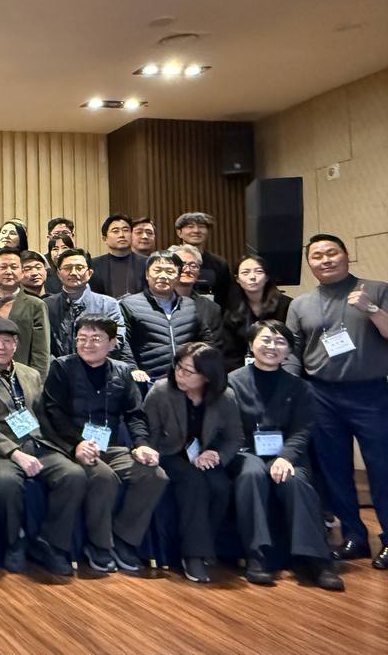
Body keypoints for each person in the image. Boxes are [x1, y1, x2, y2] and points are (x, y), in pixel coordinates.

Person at [286, 234, 388, 569]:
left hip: (371, 393)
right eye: (317, 256)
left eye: (332, 252)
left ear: (346, 256)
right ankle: (354, 537)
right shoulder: (300, 304)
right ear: (309, 264)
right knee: (335, 469)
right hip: (321, 395)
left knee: (382, 467)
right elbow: (293, 353)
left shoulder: (377, 289)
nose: (325, 260)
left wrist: (371, 309)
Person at [40, 315, 168, 575]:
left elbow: (134, 414)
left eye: (96, 339)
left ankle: (123, 538)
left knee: (154, 475)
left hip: (110, 446)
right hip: (70, 445)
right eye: (82, 339)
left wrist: (141, 444)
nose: (87, 344)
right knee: (103, 477)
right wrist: (77, 443)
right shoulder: (62, 367)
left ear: (112, 343)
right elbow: (54, 412)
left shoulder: (122, 371)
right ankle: (99, 544)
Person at [0, 317, 84, 577]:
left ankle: (50, 544)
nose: (1, 346)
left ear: (16, 345)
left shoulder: (31, 374)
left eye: (7, 341)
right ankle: (14, 541)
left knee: (74, 475)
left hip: (37, 442)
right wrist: (14, 453)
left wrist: (70, 446)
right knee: (6, 483)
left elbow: (44, 416)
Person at [227, 321, 343, 590]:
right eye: (266, 340)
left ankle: (317, 559)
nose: (272, 347)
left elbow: (303, 429)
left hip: (287, 453)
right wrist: (249, 453)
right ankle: (256, 555)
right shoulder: (233, 382)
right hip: (245, 452)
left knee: (296, 481)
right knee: (252, 474)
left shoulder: (300, 387)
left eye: (280, 342)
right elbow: (229, 428)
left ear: (289, 350)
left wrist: (286, 457)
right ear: (251, 344)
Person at [143, 342, 243, 584]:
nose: (180, 374)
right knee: (193, 481)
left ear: (207, 376)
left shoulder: (225, 397)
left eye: (188, 371)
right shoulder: (161, 391)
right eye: (178, 367)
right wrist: (147, 453)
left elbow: (235, 437)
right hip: (168, 454)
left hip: (202, 456)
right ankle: (193, 555)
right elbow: (147, 432)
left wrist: (217, 455)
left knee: (220, 486)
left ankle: (208, 544)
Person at [120, 251, 216, 382]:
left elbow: (206, 340)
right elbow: (123, 342)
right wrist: (132, 368)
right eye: (157, 270)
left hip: (186, 379)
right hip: (147, 380)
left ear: (178, 276)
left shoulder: (190, 305)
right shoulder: (129, 304)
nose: (163, 276)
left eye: (170, 271)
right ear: (147, 274)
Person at [43, 249, 129, 361]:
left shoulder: (108, 304)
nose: (73, 273)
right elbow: (41, 345)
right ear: (58, 274)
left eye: (79, 268)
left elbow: (116, 340)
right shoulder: (46, 305)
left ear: (89, 273)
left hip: (99, 367)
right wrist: (60, 366)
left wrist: (88, 360)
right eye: (67, 268)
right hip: (58, 368)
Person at [222, 254, 292, 369]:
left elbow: (291, 346)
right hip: (242, 370)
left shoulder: (286, 305)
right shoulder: (230, 307)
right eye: (245, 272)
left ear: (267, 277)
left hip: (279, 367)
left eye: (259, 272)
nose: (252, 277)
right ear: (237, 279)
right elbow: (229, 352)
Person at [0, 248, 50, 376]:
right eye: (3, 267)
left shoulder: (36, 305)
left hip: (21, 377)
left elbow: (41, 353)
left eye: (14, 267)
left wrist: (37, 383)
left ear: (22, 272)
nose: (9, 271)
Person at [169, 244, 226, 352]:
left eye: (193, 265)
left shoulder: (212, 308)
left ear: (199, 272)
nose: (187, 269)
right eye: (182, 264)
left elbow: (216, 347)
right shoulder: (158, 302)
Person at [174, 212, 231, 305]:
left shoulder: (219, 263)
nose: (196, 230)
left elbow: (225, 296)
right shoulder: (168, 259)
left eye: (201, 226)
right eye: (190, 226)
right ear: (179, 233)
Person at [89, 214, 148, 299]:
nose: (121, 235)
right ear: (105, 239)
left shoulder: (147, 263)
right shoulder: (93, 265)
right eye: (115, 231)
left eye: (126, 230)